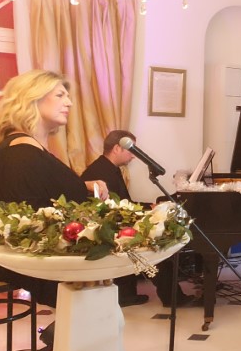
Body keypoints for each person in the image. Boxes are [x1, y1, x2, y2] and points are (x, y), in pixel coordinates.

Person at [0, 70, 140, 351]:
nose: (70, 103)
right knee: (104, 306)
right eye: (60, 95)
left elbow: (47, 196)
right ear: (32, 98)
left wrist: (85, 188)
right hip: (35, 261)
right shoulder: (23, 154)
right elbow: (35, 215)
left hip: (40, 255)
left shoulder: (24, 148)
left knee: (107, 306)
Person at [81, 130, 195, 308]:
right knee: (157, 245)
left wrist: (149, 206)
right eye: (131, 150)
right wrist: (147, 210)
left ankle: (128, 294)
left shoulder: (107, 167)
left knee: (155, 236)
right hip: (109, 229)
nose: (133, 156)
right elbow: (115, 209)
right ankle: (171, 298)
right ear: (117, 148)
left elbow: (123, 203)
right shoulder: (102, 172)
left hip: (114, 223)